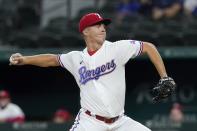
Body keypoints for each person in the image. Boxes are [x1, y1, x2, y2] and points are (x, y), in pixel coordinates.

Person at [9, 13, 176, 131]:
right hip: (90, 122)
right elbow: (52, 59)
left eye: (103, 25)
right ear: (85, 31)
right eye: (97, 25)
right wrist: (25, 59)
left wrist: (164, 76)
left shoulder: (117, 48)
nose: (103, 28)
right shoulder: (75, 58)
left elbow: (148, 47)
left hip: (120, 122)